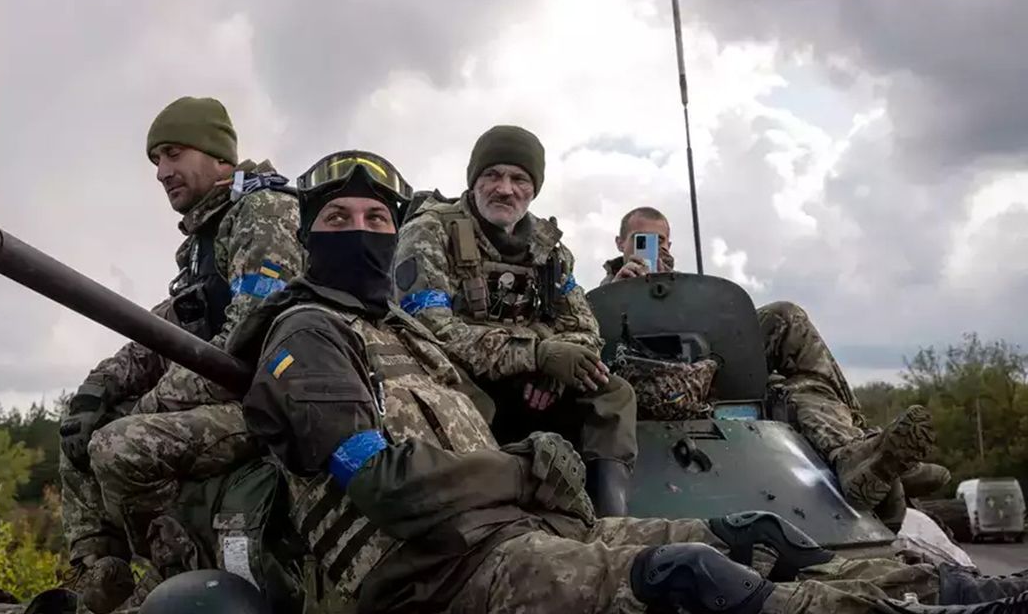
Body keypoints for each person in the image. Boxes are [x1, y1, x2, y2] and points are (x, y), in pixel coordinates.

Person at [230, 149, 1028, 614]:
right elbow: (384, 482)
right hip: (430, 571)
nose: (362, 232)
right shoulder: (309, 337)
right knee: (691, 577)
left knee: (752, 535)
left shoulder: (408, 329)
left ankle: (948, 590)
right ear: (305, 236)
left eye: (376, 217)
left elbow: (564, 341)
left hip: (510, 530)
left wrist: (554, 381)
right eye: (338, 220)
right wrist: (526, 462)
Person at [57, 96, 303, 612]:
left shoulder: (264, 211)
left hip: (269, 402)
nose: (161, 172)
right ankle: (98, 574)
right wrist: (98, 387)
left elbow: (247, 336)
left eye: (173, 154)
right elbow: (166, 325)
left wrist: (150, 407)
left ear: (218, 155)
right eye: (156, 161)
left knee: (119, 445)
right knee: (81, 425)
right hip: (224, 396)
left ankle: (172, 570)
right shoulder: (203, 236)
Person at [599, 205, 950, 513]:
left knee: (791, 340)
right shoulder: (601, 297)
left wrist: (678, 290)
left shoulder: (688, 289)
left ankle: (859, 453)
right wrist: (618, 290)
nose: (656, 247)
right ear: (620, 243)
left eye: (662, 241)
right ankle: (868, 455)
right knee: (793, 389)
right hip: (636, 388)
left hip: (706, 377)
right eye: (642, 239)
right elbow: (594, 343)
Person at [392, 125, 637, 516]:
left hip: (534, 379)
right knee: (459, 396)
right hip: (463, 377)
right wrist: (536, 355)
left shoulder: (550, 250)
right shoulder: (429, 231)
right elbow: (430, 330)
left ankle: (610, 518)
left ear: (533, 189)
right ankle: (488, 518)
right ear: (473, 182)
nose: (504, 189)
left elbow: (584, 328)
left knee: (613, 393)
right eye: (492, 175)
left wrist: (555, 372)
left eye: (519, 179)